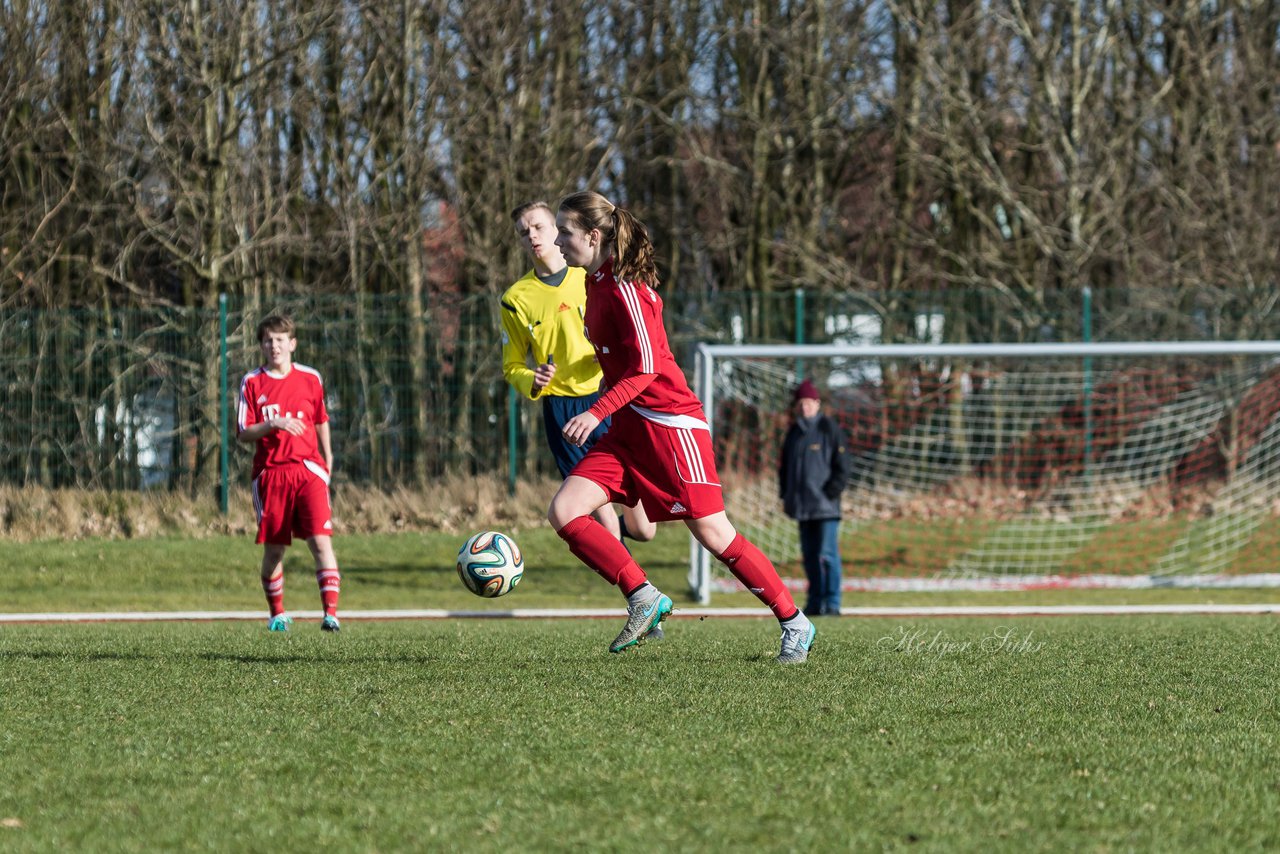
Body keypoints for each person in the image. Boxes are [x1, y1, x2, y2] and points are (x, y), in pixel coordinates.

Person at [547, 190, 817, 664]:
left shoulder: (628, 288)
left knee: (714, 535)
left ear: (593, 236)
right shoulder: (593, 283)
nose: (557, 239)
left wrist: (594, 411)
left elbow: (647, 367)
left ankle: (794, 621)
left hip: (671, 427)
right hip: (629, 430)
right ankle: (643, 597)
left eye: (564, 231)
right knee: (566, 511)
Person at [501, 202, 656, 539]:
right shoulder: (516, 298)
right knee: (606, 526)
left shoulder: (589, 276)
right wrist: (533, 378)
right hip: (562, 411)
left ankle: (625, 545)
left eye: (539, 227)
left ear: (557, 229)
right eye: (524, 232)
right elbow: (512, 366)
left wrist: (609, 359)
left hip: (607, 398)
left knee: (645, 530)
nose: (532, 236)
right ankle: (637, 587)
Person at [237, 315, 342, 633]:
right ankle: (277, 613)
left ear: (292, 343)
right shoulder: (252, 382)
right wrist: (274, 423)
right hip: (271, 475)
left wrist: (328, 455)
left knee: (320, 542)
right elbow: (243, 432)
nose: (275, 346)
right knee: (275, 549)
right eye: (268, 340)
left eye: (281, 339)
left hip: (308, 470)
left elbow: (321, 418)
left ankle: (331, 615)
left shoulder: (311, 378)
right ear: (261, 346)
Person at [779, 379, 849, 616]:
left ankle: (832, 603)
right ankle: (815, 602)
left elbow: (843, 467)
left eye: (808, 403)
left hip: (825, 507)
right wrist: (785, 495)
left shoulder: (830, 429)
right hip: (802, 507)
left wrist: (829, 494)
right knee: (809, 557)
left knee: (826, 555)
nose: (804, 407)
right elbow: (784, 468)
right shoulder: (794, 432)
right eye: (800, 403)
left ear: (817, 404)